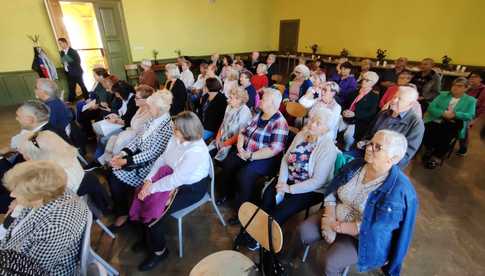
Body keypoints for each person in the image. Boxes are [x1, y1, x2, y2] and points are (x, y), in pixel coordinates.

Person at [299, 130, 418, 276]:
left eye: (378, 147)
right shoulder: (356, 165)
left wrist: (338, 227)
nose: (369, 148)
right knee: (303, 232)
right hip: (334, 214)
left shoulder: (400, 190)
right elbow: (332, 189)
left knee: (331, 262)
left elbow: (378, 227)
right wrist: (328, 217)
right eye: (371, 143)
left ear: (394, 158)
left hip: (362, 236)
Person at [135, 111, 210, 271]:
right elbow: (162, 159)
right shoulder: (176, 137)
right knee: (140, 195)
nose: (172, 129)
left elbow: (176, 180)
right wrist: (149, 180)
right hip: (170, 176)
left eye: (175, 128)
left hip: (190, 188)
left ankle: (159, 251)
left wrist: (151, 189)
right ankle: (148, 238)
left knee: (155, 215)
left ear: (186, 132)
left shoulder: (195, 151)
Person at [0, 160, 89, 276]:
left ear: (37, 195)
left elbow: (31, 270)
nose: (12, 195)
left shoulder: (55, 228)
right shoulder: (50, 192)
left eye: (17, 191)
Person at [219, 88, 288, 224]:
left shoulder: (280, 122)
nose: (260, 100)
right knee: (228, 163)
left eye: (264, 99)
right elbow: (243, 131)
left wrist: (251, 155)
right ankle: (228, 193)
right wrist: (240, 146)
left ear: (273, 104)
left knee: (244, 175)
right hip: (246, 150)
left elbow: (274, 149)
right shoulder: (259, 114)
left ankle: (243, 212)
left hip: (265, 158)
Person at [261, 107, 339, 226]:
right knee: (267, 198)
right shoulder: (302, 135)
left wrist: (289, 189)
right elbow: (286, 159)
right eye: (311, 120)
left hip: (311, 189)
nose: (312, 125)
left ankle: (267, 239)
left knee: (280, 212)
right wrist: (282, 182)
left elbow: (317, 181)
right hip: (290, 178)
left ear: (326, 129)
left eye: (318, 123)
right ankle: (255, 233)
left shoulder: (328, 149)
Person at [108, 91, 173, 229]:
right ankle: (123, 208)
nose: (147, 109)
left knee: (115, 175)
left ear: (159, 109)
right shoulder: (152, 119)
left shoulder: (167, 127)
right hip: (139, 157)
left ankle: (125, 212)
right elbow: (137, 140)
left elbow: (152, 154)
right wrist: (123, 153)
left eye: (150, 107)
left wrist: (126, 161)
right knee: (113, 170)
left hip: (150, 165)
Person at [17, 131, 109, 213]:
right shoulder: (65, 154)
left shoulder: (52, 174)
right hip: (79, 186)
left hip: (70, 202)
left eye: (25, 154)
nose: (24, 157)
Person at [361, 86, 424, 167]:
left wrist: (383, 164)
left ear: (410, 104)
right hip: (366, 153)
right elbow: (369, 133)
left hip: (386, 165)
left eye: (399, 99)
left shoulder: (416, 123)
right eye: (394, 97)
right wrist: (364, 143)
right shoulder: (383, 113)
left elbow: (407, 154)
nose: (394, 101)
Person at [422, 77, 476, 168]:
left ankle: (436, 156)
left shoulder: (471, 100)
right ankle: (430, 148)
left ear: (466, 88)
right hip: (437, 118)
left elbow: (470, 115)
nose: (455, 87)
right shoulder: (442, 94)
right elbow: (431, 107)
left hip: (455, 122)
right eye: (454, 85)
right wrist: (443, 113)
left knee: (446, 134)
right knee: (427, 129)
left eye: (459, 86)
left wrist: (455, 114)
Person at [97, 85, 154, 166]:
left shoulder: (150, 114)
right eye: (135, 97)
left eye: (137, 98)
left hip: (135, 141)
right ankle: (106, 163)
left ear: (146, 100)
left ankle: (109, 163)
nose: (134, 99)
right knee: (112, 139)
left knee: (111, 141)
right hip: (129, 134)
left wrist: (118, 121)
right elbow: (130, 122)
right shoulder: (140, 108)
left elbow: (142, 135)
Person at [209, 86, 252, 162]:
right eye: (229, 97)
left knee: (217, 157)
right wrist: (218, 138)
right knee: (207, 152)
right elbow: (223, 123)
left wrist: (225, 143)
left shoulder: (245, 112)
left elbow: (240, 134)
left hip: (235, 143)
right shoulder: (229, 106)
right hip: (223, 137)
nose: (228, 100)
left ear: (239, 100)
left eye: (231, 98)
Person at [340, 71, 380, 150]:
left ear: (373, 83)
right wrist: (344, 111)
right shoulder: (354, 92)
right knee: (333, 124)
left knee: (348, 136)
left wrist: (355, 114)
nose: (363, 81)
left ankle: (346, 149)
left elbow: (371, 113)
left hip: (357, 122)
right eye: (363, 79)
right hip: (345, 117)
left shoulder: (374, 97)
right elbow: (345, 104)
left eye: (367, 80)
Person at [77, 68, 111, 137]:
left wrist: (95, 105)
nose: (94, 77)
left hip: (104, 107)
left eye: (95, 75)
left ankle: (89, 134)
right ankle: (86, 131)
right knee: (80, 107)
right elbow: (94, 93)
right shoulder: (98, 82)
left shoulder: (105, 83)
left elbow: (104, 101)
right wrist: (90, 101)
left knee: (84, 114)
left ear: (101, 76)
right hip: (97, 102)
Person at [458, 70, 485, 155]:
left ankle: (463, 147)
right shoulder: (467, 88)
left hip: (473, 113)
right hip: (460, 110)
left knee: (464, 126)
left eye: (475, 77)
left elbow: (483, 108)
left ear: (481, 79)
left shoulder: (483, 90)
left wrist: (475, 120)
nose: (472, 79)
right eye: (471, 77)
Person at [58, 38, 88, 102]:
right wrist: (64, 61)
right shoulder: (62, 52)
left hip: (77, 72)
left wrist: (67, 59)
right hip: (68, 73)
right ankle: (71, 101)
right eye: (59, 44)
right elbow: (63, 62)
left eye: (60, 43)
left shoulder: (73, 51)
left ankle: (87, 98)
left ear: (65, 43)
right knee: (71, 87)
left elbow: (78, 62)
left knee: (82, 86)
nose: (60, 45)